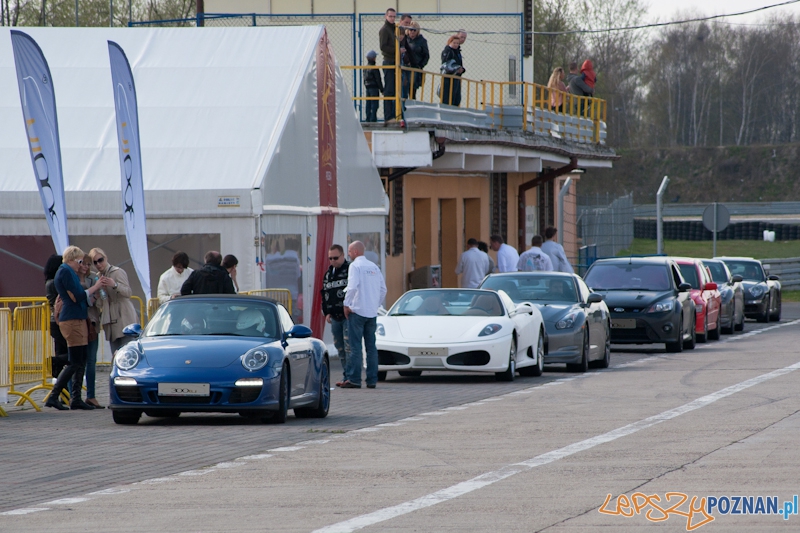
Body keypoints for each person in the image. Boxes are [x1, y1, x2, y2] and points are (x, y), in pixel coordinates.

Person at [45, 246, 104, 411]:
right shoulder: (65, 271)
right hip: (71, 318)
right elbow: (78, 295)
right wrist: (95, 287)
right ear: (71, 259)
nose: (81, 265)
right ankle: (55, 396)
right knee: (74, 360)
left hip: (76, 316)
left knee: (80, 358)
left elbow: (79, 294)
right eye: (79, 261)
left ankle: (75, 397)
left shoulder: (67, 271)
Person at [342, 241, 387, 389]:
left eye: (349, 251)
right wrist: (375, 304)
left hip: (357, 311)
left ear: (355, 251)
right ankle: (371, 380)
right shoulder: (374, 267)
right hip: (371, 313)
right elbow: (383, 290)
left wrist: (347, 304)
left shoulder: (355, 266)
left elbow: (352, 286)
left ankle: (355, 379)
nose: (348, 254)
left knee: (355, 347)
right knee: (371, 347)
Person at [89, 248, 139, 353]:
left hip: (123, 314)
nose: (98, 264)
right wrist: (98, 295)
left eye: (100, 260)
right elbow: (101, 302)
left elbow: (128, 292)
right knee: (115, 353)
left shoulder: (117, 272)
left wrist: (115, 285)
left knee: (127, 350)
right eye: (95, 262)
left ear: (105, 258)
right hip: (110, 316)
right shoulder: (97, 277)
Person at [321, 244, 350, 387]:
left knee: (349, 347)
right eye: (330, 258)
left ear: (343, 255)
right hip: (334, 316)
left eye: (335, 258)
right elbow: (325, 294)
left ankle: (351, 376)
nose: (332, 261)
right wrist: (326, 312)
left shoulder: (350, 270)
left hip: (348, 315)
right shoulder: (328, 273)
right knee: (340, 348)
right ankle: (346, 375)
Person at [79, 253, 103, 408]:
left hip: (92, 322)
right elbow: (84, 299)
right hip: (78, 321)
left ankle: (91, 395)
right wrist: (92, 294)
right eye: (84, 264)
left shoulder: (93, 278)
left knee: (91, 361)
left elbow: (100, 298)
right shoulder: (73, 278)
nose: (86, 267)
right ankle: (73, 395)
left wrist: (95, 295)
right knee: (75, 360)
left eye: (89, 264)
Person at [44, 254, 69, 381]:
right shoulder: (54, 283)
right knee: (71, 354)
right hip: (59, 320)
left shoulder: (49, 282)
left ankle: (62, 390)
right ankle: (54, 361)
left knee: (61, 351)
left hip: (55, 320)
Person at [379, 8, 399, 121]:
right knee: (389, 89)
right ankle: (388, 116)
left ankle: (394, 114)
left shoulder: (395, 29)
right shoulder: (385, 29)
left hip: (395, 61)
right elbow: (383, 46)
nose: (392, 18)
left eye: (394, 16)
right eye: (390, 16)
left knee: (395, 89)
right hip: (389, 61)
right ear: (386, 16)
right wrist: (396, 50)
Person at [402, 21, 429, 101]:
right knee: (403, 89)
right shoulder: (404, 39)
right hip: (405, 67)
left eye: (414, 30)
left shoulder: (422, 40)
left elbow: (426, 55)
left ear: (417, 31)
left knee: (412, 90)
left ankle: (412, 108)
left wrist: (420, 65)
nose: (412, 32)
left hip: (415, 68)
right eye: (410, 30)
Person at [440, 35, 465, 106]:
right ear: (450, 42)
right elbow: (446, 64)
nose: (456, 45)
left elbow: (459, 63)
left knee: (456, 97)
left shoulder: (458, 52)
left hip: (457, 77)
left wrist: (462, 69)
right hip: (448, 77)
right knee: (447, 96)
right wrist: (456, 69)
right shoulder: (447, 51)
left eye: (457, 43)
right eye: (454, 43)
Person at [364, 50, 383, 122]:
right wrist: (382, 89)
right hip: (374, 88)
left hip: (367, 87)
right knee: (374, 104)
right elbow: (378, 79)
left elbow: (364, 79)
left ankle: (368, 118)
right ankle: (373, 118)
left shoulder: (365, 68)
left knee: (368, 103)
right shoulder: (374, 68)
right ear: (374, 58)